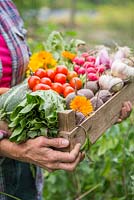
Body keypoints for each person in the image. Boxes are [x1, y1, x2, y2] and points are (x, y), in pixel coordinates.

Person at [0, 1, 132, 200]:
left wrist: (106, 113)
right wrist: (14, 149)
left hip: (25, 159)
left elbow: (21, 79)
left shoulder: (6, 7)